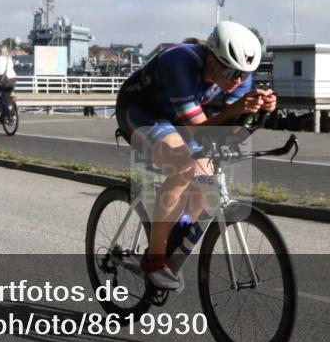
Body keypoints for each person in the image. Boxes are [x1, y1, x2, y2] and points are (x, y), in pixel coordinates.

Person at [115, 21, 276, 290]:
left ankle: (173, 229)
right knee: (183, 167)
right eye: (229, 71)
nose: (237, 80)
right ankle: (154, 259)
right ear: (211, 59)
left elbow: (230, 126)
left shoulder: (239, 76)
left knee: (207, 177)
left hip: (176, 118)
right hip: (140, 112)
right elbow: (199, 130)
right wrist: (235, 109)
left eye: (243, 74)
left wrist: (261, 110)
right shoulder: (180, 62)